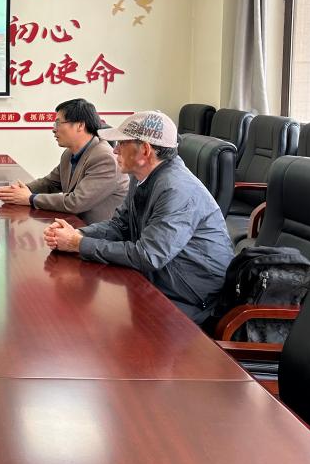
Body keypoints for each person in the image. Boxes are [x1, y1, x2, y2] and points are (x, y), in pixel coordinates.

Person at [43, 110, 232, 324]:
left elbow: (148, 255)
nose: (115, 150)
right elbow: (120, 226)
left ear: (145, 150)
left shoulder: (177, 190)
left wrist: (78, 244)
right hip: (161, 279)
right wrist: (77, 234)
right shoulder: (141, 176)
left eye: (121, 144)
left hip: (192, 299)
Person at [0, 98, 127, 224]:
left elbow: (76, 202)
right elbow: (50, 182)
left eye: (58, 123)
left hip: (98, 234)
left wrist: (30, 198)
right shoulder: (69, 153)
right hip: (73, 226)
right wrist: (20, 191)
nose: (53, 129)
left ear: (80, 125)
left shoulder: (104, 158)